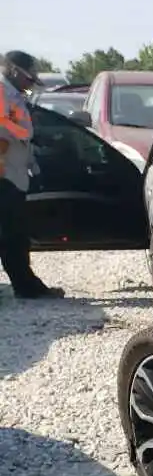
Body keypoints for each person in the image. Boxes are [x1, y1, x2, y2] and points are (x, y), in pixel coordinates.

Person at [0, 50, 63, 299]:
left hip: (13, 173)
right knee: (11, 234)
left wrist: (32, 159)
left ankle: (26, 285)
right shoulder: (2, 91)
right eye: (28, 77)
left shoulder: (12, 93)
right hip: (4, 175)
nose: (29, 83)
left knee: (14, 233)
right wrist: (25, 134)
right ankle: (26, 287)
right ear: (14, 70)